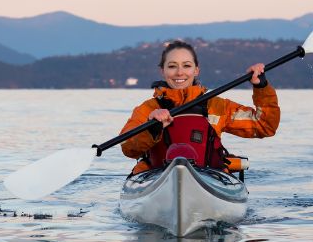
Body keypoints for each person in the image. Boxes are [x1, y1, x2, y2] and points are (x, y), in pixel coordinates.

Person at [119, 40, 280, 175]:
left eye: (186, 66)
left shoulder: (217, 106)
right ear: (163, 71)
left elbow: (264, 125)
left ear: (196, 70)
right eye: (172, 66)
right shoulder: (148, 109)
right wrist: (152, 127)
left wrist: (261, 86)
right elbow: (128, 148)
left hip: (209, 176)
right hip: (158, 178)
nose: (179, 72)